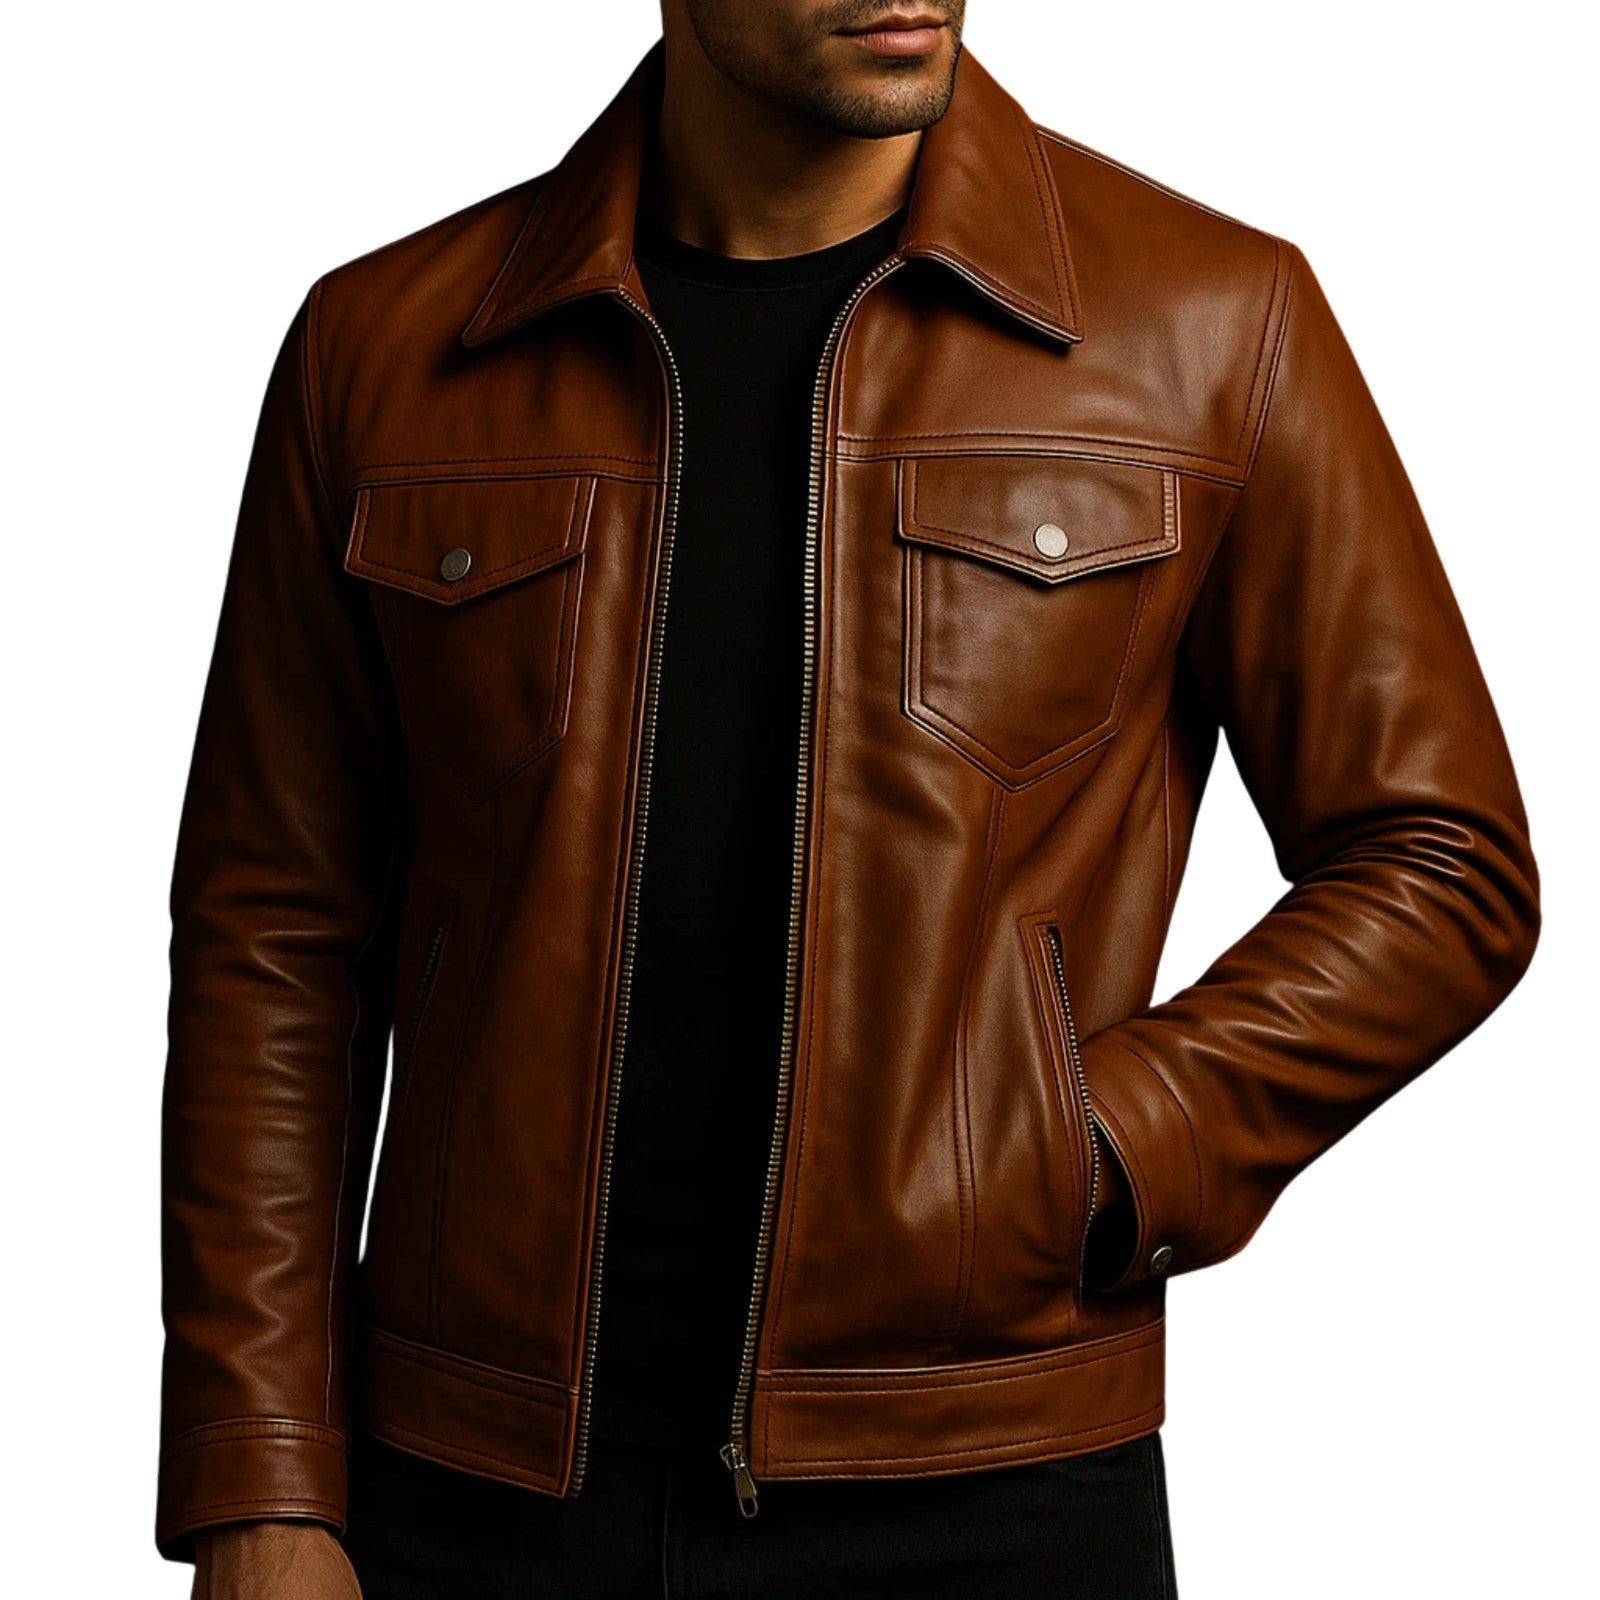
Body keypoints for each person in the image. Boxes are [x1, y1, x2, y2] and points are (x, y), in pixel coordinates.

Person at [156, 3, 1541, 1596]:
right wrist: (260, 1476)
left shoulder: (1211, 323)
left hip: (989, 1489)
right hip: (468, 1489)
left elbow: (1441, 858)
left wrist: (1100, 1148)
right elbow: (277, 930)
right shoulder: (387, 347)